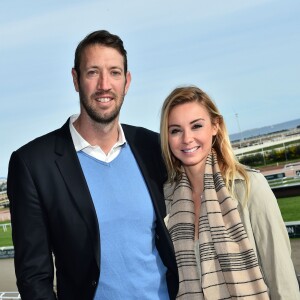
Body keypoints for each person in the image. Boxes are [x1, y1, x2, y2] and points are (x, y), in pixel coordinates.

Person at [7, 30, 179, 300]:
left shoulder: (152, 146)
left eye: (114, 72)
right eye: (92, 73)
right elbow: (33, 277)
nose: (104, 85)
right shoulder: (33, 165)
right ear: (75, 80)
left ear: (127, 81)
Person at [160, 86, 300, 299]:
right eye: (176, 130)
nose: (187, 138)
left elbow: (281, 275)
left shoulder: (249, 186)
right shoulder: (167, 198)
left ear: (215, 126)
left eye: (196, 126)